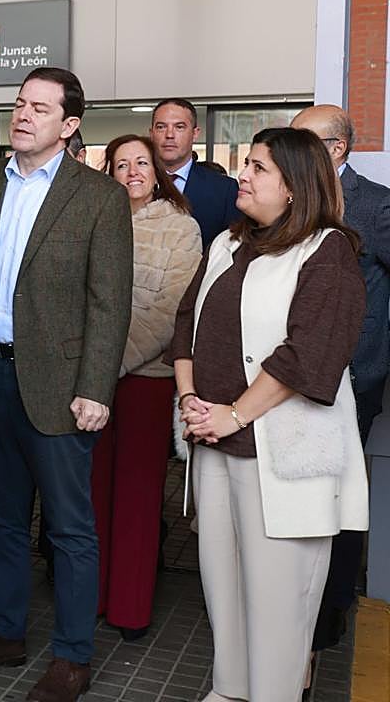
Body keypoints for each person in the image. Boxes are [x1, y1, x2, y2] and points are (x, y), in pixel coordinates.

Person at [0, 67, 132, 702]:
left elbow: (110, 303)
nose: (22, 116)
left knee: (70, 530)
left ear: (69, 126)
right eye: (19, 104)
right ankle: (4, 633)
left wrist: (97, 388)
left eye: (40, 109)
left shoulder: (98, 197)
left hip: (60, 385)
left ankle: (73, 658)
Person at [169, 127, 368, 702]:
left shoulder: (326, 251)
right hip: (214, 444)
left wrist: (233, 414)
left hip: (278, 454)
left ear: (294, 186)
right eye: (247, 164)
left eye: (258, 167)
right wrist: (190, 400)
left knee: (280, 606)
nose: (243, 176)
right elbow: (187, 325)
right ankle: (229, 690)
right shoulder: (229, 243)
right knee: (225, 589)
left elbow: (309, 353)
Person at [91, 133, 200, 642]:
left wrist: (105, 364)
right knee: (90, 493)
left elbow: (171, 311)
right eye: (120, 164)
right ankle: (89, 597)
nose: (132, 171)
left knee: (136, 494)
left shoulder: (183, 228)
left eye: (141, 162)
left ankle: (129, 609)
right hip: (89, 380)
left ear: (157, 171)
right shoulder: (92, 219)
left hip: (145, 380)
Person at [290, 104, 390, 653]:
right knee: (299, 487)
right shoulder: (290, 197)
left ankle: (332, 607)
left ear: (336, 148)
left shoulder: (373, 205)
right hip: (294, 372)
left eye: (301, 139)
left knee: (340, 494)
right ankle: (292, 598)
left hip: (355, 375)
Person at [150, 98, 241, 248]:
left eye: (179, 127)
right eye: (161, 127)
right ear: (151, 133)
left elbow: (232, 251)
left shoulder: (224, 189)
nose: (169, 135)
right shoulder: (136, 184)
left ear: (195, 133)